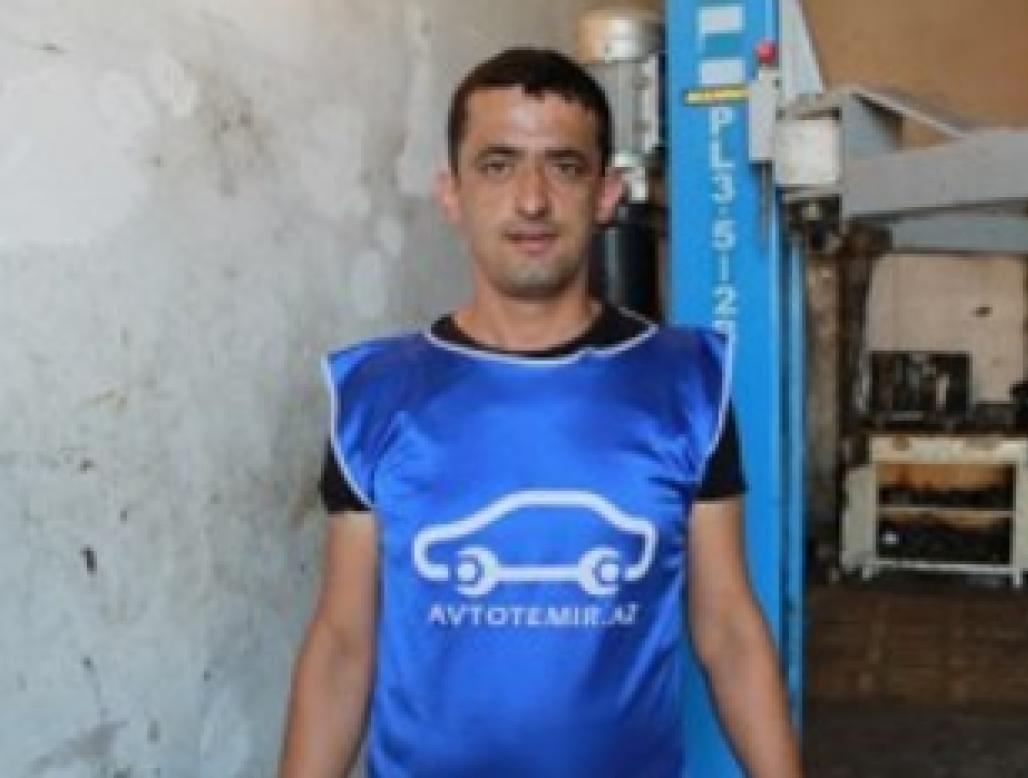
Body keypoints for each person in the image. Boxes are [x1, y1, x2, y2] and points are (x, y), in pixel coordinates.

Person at [280, 47, 802, 778]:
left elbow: (728, 630)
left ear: (607, 194)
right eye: (498, 165)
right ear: (451, 193)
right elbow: (342, 644)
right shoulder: (374, 396)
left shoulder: (688, 385)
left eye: (564, 166)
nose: (531, 200)